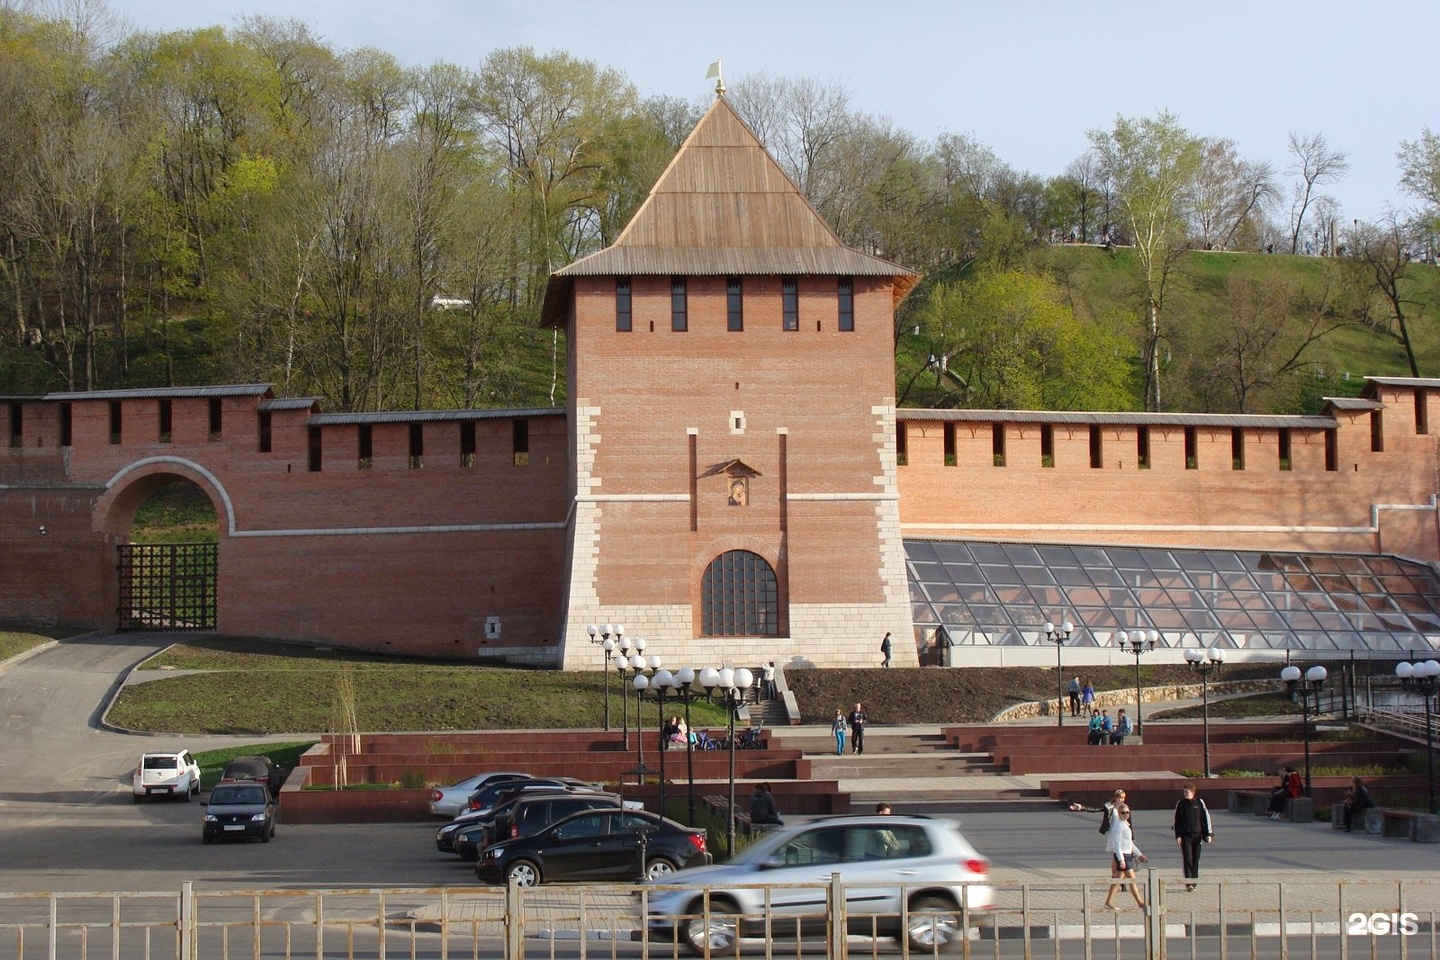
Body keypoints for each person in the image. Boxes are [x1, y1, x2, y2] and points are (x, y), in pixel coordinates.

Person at [1103, 803, 1147, 910]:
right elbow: (1116, 843)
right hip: (1123, 856)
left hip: (1127, 855)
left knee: (1117, 880)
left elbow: (1129, 843)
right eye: (1123, 812)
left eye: (1127, 812)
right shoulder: (1118, 825)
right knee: (1132, 879)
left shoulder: (1125, 824)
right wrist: (1121, 859)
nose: (1126, 814)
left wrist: (1139, 854)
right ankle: (1140, 902)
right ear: (1118, 813)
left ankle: (1108, 902)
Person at [1172, 783, 1213, 891]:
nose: (1185, 794)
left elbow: (1205, 818)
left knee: (1195, 859)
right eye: (1184, 792)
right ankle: (1188, 883)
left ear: (1193, 793)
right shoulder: (1180, 804)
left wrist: (1208, 834)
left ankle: (1194, 882)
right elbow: (1177, 821)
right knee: (1187, 859)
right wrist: (1178, 835)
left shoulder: (1199, 803)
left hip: (1197, 836)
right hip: (1185, 836)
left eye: (1187, 792)